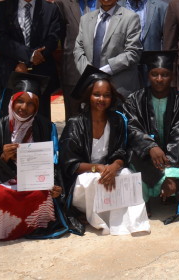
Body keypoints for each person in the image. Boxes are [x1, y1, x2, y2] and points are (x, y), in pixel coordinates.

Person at [0, 73, 70, 241]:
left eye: (30, 104)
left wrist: (54, 186)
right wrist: (2, 158)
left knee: (43, 195)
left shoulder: (45, 127)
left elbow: (53, 164)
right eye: (20, 101)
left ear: (37, 107)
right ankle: (10, 225)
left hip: (32, 185)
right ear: (12, 101)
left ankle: (18, 225)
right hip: (2, 185)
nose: (24, 107)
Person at [59, 66, 150, 235]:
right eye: (97, 94)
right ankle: (100, 221)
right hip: (82, 179)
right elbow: (68, 163)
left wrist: (115, 165)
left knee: (126, 175)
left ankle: (135, 223)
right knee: (94, 180)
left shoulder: (116, 120)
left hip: (108, 171)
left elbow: (122, 151)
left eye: (106, 95)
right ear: (88, 96)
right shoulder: (75, 123)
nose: (102, 99)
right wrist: (97, 168)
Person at [124, 52, 179, 221]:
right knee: (131, 150)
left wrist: (169, 173)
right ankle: (144, 198)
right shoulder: (135, 100)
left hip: (173, 155)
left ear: (172, 76)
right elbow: (131, 128)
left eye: (165, 74)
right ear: (148, 75)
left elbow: (178, 135)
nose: (159, 79)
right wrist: (150, 146)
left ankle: (173, 187)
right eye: (155, 74)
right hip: (146, 156)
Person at [0, 0, 62, 120]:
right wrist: (28, 56)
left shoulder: (51, 9)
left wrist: (30, 62)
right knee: (10, 120)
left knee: (40, 122)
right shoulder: (4, 8)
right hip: (13, 71)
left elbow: (52, 39)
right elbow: (2, 40)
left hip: (41, 74)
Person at [74, 0, 142, 96]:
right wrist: (89, 73)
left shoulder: (130, 18)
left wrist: (103, 71)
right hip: (90, 85)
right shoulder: (85, 19)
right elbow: (78, 50)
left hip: (119, 87)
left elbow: (133, 52)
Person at [55, 0, 97, 118]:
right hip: (73, 70)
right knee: (74, 117)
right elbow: (59, 36)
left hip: (102, 68)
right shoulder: (62, 2)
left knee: (100, 116)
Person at [121, 0, 167, 86]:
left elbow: (166, 40)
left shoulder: (162, 7)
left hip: (153, 69)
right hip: (125, 70)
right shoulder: (116, 8)